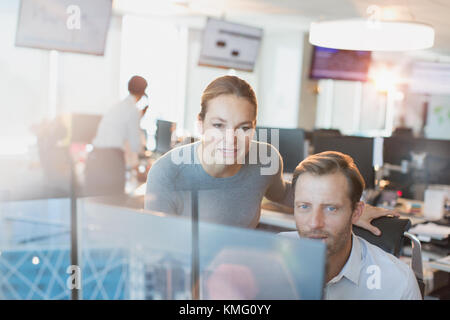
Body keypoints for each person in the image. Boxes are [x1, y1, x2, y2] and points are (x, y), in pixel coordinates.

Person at [145, 75, 393, 232]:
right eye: (218, 125)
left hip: (239, 277)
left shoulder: (265, 160)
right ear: (200, 124)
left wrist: (349, 210)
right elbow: (154, 249)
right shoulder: (168, 173)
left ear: (254, 127)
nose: (230, 139)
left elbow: (286, 195)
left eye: (243, 128)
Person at [280, 151, 422, 299]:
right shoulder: (268, 259)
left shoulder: (397, 283)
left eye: (331, 208)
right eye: (304, 206)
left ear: (356, 212)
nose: (315, 223)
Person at [85, 75, 148, 196]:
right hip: (110, 161)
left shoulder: (116, 106)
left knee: (97, 201)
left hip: (95, 157)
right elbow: (135, 145)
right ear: (142, 93)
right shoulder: (133, 110)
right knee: (114, 200)